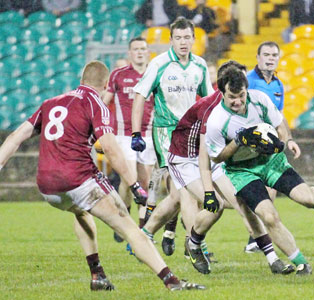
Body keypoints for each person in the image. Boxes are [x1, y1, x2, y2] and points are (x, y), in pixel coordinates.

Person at [0, 60, 204, 292]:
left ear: (81, 80)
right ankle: (172, 281)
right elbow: (109, 148)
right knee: (130, 229)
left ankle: (97, 274)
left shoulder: (50, 103)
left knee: (80, 211)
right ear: (106, 84)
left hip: (47, 187)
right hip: (78, 180)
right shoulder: (95, 104)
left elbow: (16, 136)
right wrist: (134, 184)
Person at [205, 66, 314, 276]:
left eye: (241, 95)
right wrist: (238, 141)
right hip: (242, 171)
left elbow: (280, 122)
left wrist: (288, 140)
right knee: (269, 216)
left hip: (271, 161)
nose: (238, 101)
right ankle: (301, 263)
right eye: (232, 97)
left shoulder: (259, 99)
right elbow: (216, 157)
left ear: (247, 90)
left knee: (307, 199)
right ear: (222, 94)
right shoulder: (216, 120)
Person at [159, 60, 294, 275]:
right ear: (223, 88)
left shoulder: (239, 103)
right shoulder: (210, 111)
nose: (241, 94)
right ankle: (192, 243)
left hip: (213, 157)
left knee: (244, 203)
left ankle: (273, 259)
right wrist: (209, 191)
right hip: (185, 158)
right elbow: (204, 154)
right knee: (216, 205)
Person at [132, 17, 214, 256]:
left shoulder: (199, 65)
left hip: (191, 135)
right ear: (171, 40)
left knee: (181, 194)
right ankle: (196, 245)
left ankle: (145, 234)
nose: (183, 42)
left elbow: (209, 103)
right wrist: (136, 133)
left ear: (194, 39)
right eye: (178, 38)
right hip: (165, 132)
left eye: (187, 37)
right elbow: (139, 96)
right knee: (185, 190)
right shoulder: (159, 64)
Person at [103, 37, 157, 243]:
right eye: (136, 49)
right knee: (130, 179)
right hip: (123, 134)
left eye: (143, 49)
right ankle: (125, 216)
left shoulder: (155, 75)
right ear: (129, 53)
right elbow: (104, 102)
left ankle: (143, 231)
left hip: (149, 135)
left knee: (145, 183)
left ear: (148, 52)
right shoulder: (118, 75)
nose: (140, 52)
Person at [244, 41, 287, 253]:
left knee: (270, 191)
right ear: (258, 57)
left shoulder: (279, 85)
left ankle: (255, 239)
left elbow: (279, 117)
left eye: (274, 55)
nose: (270, 58)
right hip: (248, 144)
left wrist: (288, 139)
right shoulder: (248, 81)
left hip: (268, 145)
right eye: (266, 54)